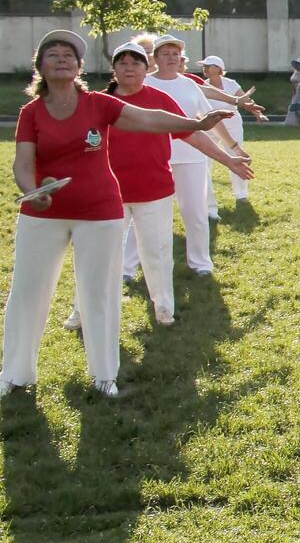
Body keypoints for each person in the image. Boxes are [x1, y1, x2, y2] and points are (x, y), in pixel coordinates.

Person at [4, 31, 231, 399]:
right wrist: (33, 191)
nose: (61, 59)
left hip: (99, 211)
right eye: (52, 55)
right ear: (40, 68)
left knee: (100, 292)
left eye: (69, 55)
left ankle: (103, 376)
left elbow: (149, 119)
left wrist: (194, 124)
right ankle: (15, 373)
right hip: (42, 213)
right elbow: (23, 163)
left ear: (79, 66)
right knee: (28, 292)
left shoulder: (99, 104)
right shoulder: (31, 113)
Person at [75, 43, 252, 330]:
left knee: (157, 253)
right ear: (114, 69)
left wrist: (227, 158)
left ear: (146, 69)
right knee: (97, 255)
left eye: (136, 62)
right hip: (108, 193)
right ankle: (81, 311)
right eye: (123, 62)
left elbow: (191, 134)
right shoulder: (98, 102)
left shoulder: (160, 99)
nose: (129, 68)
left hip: (152, 190)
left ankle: (164, 310)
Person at [139, 35, 246, 277]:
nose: (171, 58)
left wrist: (233, 147)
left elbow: (208, 120)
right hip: (154, 158)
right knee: (149, 214)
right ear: (155, 59)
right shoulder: (144, 83)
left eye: (175, 54)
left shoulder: (189, 85)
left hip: (192, 155)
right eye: (165, 54)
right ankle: (133, 266)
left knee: (196, 212)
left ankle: (201, 263)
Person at [198, 55, 259, 211]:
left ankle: (241, 195)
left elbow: (243, 100)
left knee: (236, 156)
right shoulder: (203, 86)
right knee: (204, 160)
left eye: (208, 65)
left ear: (218, 69)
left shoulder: (230, 84)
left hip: (232, 125)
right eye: (203, 66)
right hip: (210, 126)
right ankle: (206, 200)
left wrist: (256, 112)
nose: (204, 68)